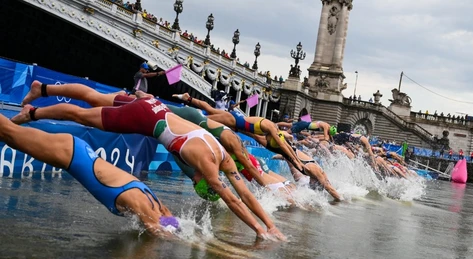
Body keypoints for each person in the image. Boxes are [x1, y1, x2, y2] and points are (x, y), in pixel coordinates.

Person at [13, 81, 286, 241]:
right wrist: (259, 233)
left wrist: (271, 226)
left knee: (94, 98)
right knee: (81, 116)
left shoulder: (223, 157)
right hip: (145, 117)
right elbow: (235, 200)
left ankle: (44, 87)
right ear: (204, 181)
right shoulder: (205, 168)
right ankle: (33, 113)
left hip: (155, 106)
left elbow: (245, 195)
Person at [0, 113, 177, 235]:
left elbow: (173, 222)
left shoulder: (159, 205)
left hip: (76, 154)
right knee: (10, 132)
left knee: (13, 138)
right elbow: (157, 232)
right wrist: (197, 248)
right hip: (71, 154)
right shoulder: (144, 206)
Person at [177, 92, 307, 175]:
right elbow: (283, 145)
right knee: (203, 118)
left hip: (238, 125)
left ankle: (188, 99)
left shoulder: (266, 133)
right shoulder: (272, 128)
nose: (268, 141)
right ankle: (184, 107)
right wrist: (298, 161)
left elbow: (287, 148)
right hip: (235, 120)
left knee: (209, 111)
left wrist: (297, 161)